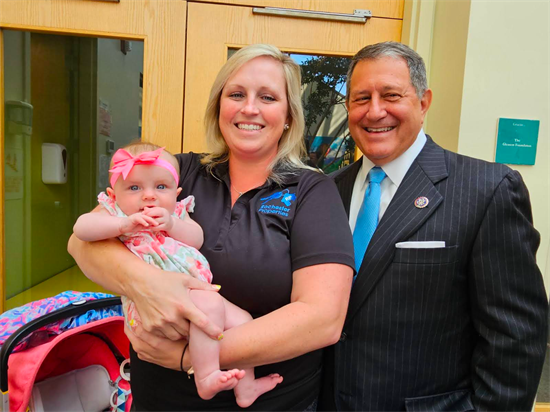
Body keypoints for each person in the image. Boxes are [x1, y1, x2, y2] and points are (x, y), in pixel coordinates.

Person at [68, 43, 355, 412]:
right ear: (220, 106)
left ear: (288, 116)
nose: (249, 108)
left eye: (267, 97)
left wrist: (189, 355)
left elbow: (323, 319)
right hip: (160, 400)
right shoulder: (177, 172)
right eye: (236, 94)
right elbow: (82, 242)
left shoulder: (312, 191)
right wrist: (148, 284)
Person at [320, 41, 548, 412]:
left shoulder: (487, 189)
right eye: (361, 98)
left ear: (423, 102)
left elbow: (515, 340)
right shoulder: (327, 191)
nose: (375, 111)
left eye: (390, 95)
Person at [73, 143, 283, 407]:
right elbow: (81, 229)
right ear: (113, 194)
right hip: (151, 304)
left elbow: (197, 238)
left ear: (177, 192)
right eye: (134, 188)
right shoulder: (115, 213)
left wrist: (172, 224)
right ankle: (205, 377)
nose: (149, 197)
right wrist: (122, 224)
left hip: (196, 291)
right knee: (210, 305)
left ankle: (246, 387)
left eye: (161, 187)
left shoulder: (178, 212)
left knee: (244, 320)